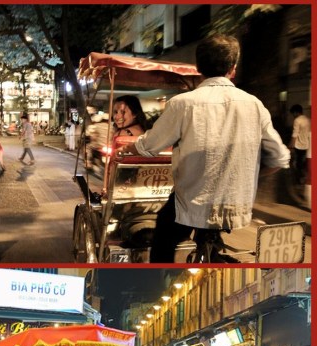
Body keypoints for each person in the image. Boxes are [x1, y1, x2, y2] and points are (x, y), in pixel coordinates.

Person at [123, 34, 290, 263]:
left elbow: (148, 145)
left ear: (198, 67)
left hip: (192, 205)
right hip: (236, 205)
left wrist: (129, 149)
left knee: (163, 235)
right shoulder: (255, 105)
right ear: (233, 69)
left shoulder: (183, 104)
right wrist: (251, 175)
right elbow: (280, 159)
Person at [289, 105, 311, 184]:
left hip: (298, 146)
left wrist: (290, 146)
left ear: (296, 112)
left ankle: (299, 179)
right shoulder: (308, 119)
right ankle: (303, 178)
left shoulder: (297, 120)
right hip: (307, 145)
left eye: (293, 113)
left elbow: (295, 134)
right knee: (303, 163)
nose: (293, 115)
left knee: (297, 164)